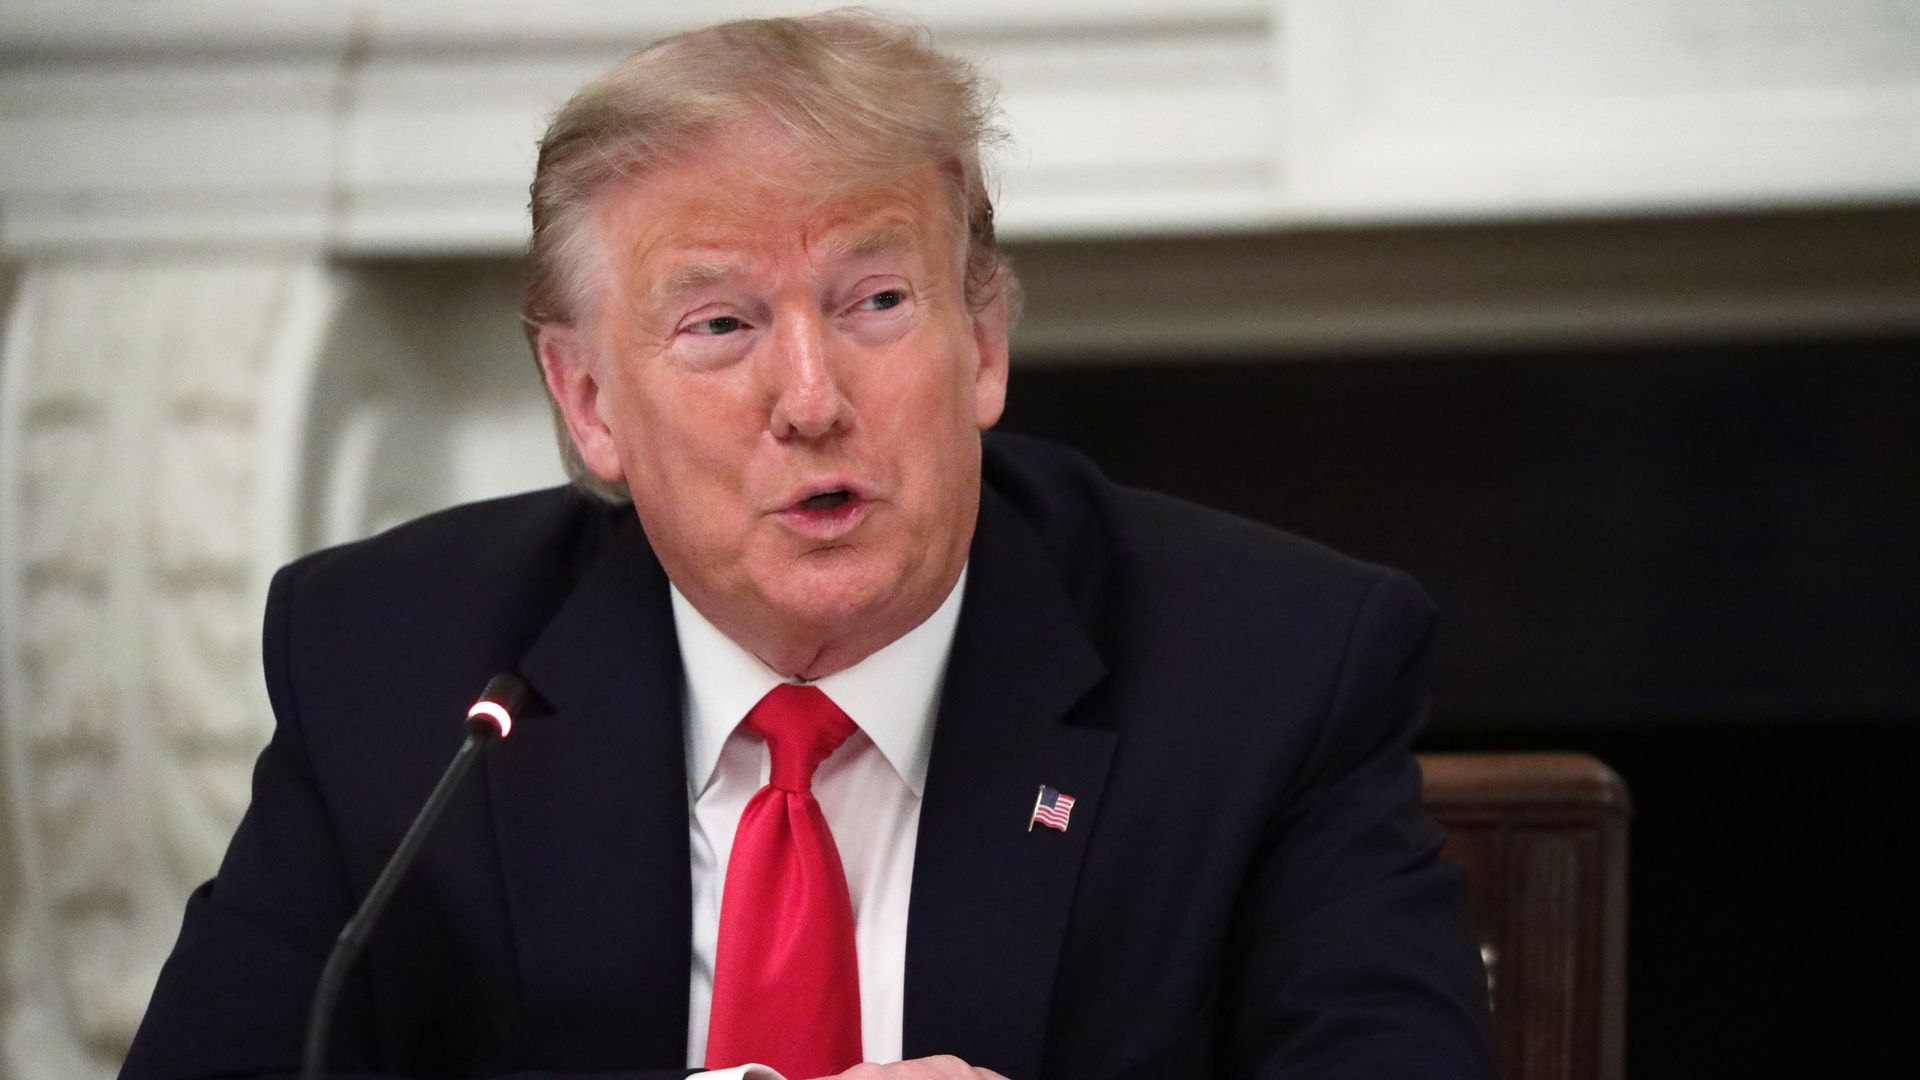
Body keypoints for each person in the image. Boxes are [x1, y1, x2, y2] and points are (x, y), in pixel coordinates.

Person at [122, 11, 1491, 1080]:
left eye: (877, 301)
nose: (813, 398)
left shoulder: (1270, 667)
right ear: (590, 403)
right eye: (719, 325)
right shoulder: (401, 666)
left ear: (985, 347)